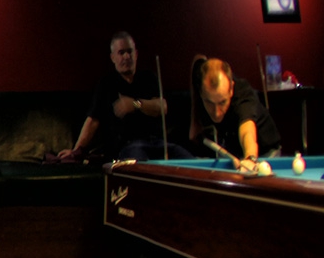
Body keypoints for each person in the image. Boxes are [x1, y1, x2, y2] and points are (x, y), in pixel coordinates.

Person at [59, 31, 193, 161]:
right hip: (128, 146)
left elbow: (162, 107)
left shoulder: (148, 78)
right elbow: (92, 121)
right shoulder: (107, 83)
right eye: (121, 53)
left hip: (158, 143)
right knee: (139, 165)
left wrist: (135, 104)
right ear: (113, 58)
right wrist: (76, 151)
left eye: (130, 52)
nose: (127, 57)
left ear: (136, 54)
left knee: (190, 162)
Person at [188, 56, 281, 170]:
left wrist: (250, 158)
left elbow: (247, 132)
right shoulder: (200, 79)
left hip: (264, 153)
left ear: (231, 89)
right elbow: (198, 60)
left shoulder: (243, 97)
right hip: (234, 152)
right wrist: (195, 120)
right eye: (209, 102)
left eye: (222, 102)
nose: (217, 113)